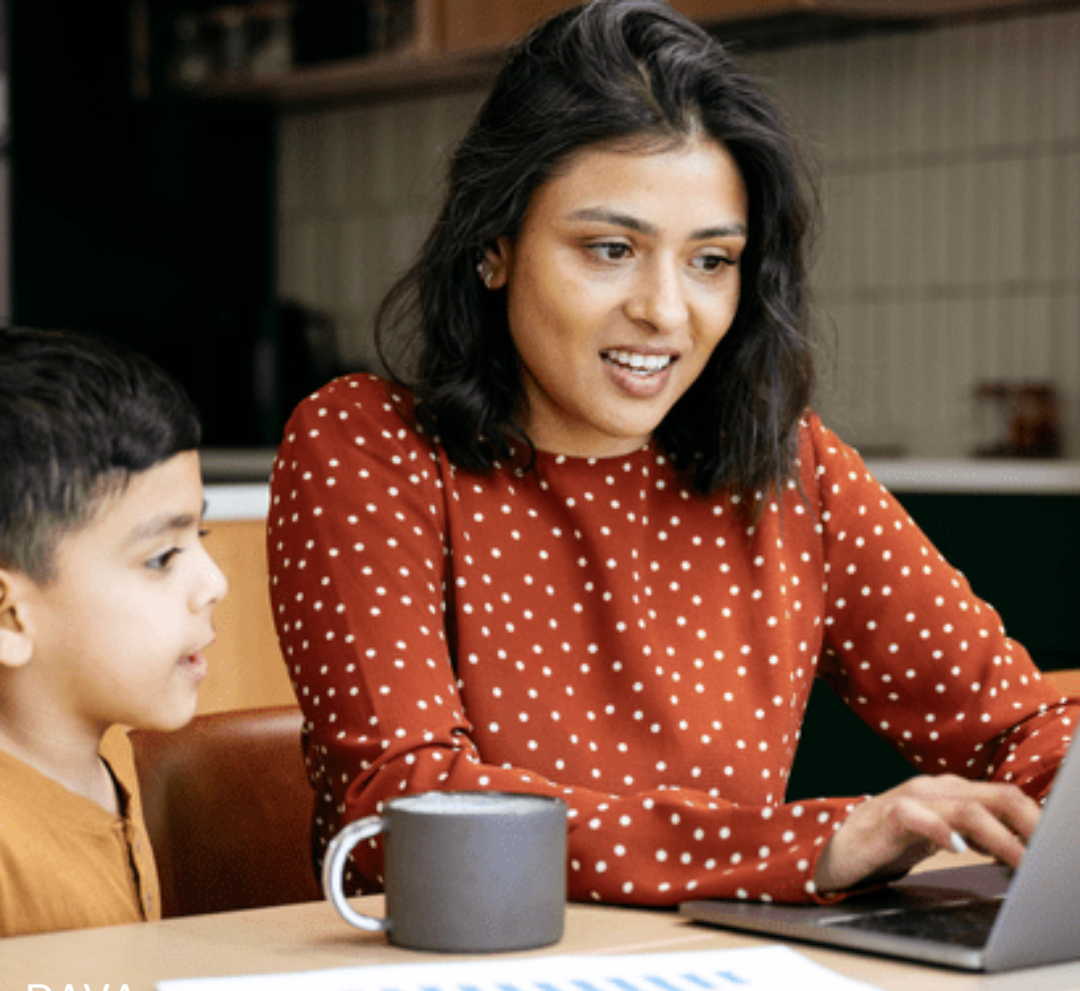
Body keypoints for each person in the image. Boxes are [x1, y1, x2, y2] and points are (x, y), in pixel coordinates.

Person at [267, 0, 1078, 906]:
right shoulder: (368, 448)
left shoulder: (790, 468)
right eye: (611, 249)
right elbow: (400, 815)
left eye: (711, 261)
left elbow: (1032, 724)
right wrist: (810, 845)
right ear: (494, 246)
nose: (664, 310)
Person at [0, 328, 227, 936]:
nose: (214, 583)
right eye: (162, 557)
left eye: (197, 539)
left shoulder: (106, 752)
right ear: (9, 616)